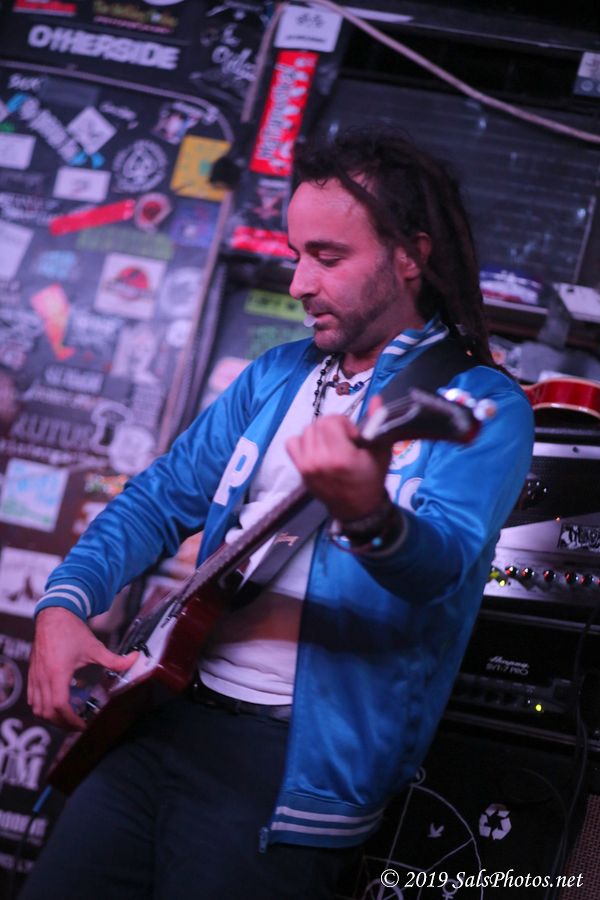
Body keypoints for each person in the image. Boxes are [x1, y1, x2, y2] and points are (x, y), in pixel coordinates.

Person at [23, 129, 533, 900]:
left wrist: (370, 515)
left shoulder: (483, 403)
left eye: (327, 257)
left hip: (286, 765)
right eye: (297, 255)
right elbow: (157, 500)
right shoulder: (275, 375)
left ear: (410, 256)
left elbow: (443, 569)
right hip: (160, 707)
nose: (298, 283)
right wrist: (64, 605)